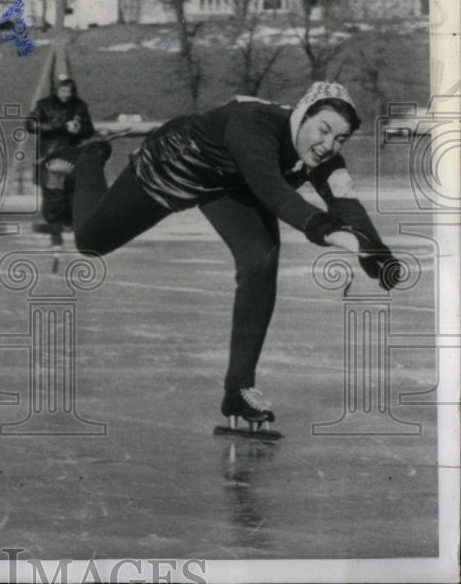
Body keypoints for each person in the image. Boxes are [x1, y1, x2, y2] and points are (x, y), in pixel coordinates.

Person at [55, 81, 402, 436]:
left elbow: (346, 203)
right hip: (177, 163)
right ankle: (89, 160)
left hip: (231, 184)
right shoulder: (254, 125)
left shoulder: (323, 155)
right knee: (91, 243)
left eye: (340, 139)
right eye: (324, 130)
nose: (328, 145)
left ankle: (238, 389)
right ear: (301, 116)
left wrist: (377, 254)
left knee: (260, 260)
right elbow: (272, 190)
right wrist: (323, 228)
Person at [27, 75, 95, 246]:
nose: (66, 94)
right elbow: (30, 125)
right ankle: (55, 234)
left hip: (72, 155)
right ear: (56, 91)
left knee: (72, 194)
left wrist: (79, 129)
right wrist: (60, 126)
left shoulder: (80, 107)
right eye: (63, 90)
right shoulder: (44, 105)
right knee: (54, 196)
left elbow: (89, 129)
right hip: (51, 157)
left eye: (69, 91)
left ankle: (68, 226)